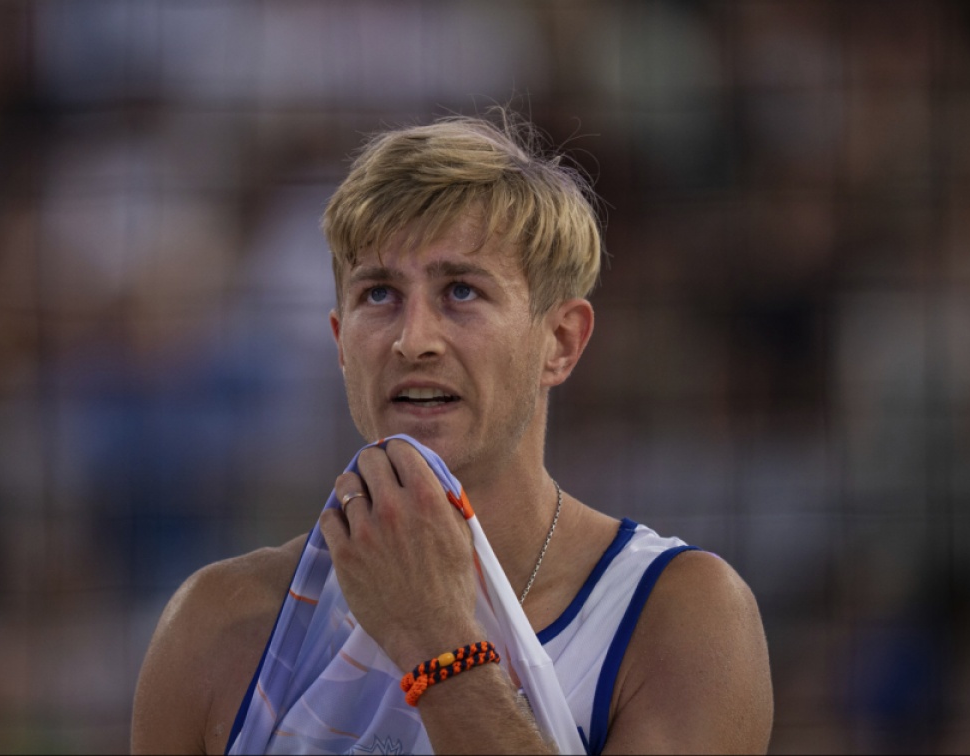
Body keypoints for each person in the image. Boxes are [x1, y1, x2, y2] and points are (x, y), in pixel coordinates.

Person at [131, 110, 773, 754]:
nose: (413, 340)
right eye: (379, 294)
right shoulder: (216, 624)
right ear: (341, 343)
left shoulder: (683, 615)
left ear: (561, 342)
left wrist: (436, 636)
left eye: (461, 291)